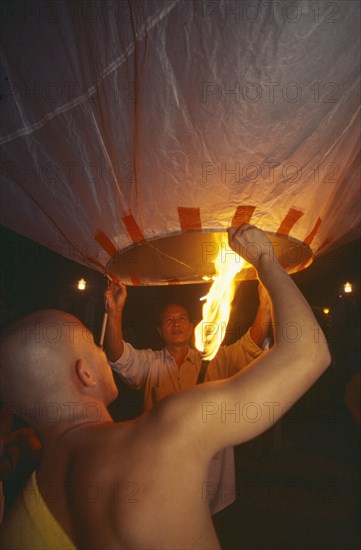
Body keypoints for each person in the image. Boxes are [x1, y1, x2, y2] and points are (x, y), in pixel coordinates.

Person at [0, 225, 331, 549]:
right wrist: (264, 259)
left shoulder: (17, 514)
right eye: (93, 345)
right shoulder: (168, 430)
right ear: (84, 374)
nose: (104, 352)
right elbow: (308, 353)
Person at [105, 263, 272, 513]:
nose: (176, 323)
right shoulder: (150, 362)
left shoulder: (218, 359)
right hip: (160, 467)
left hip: (209, 471)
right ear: (161, 331)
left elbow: (251, 343)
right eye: (169, 320)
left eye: (181, 318)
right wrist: (115, 313)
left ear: (192, 324)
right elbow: (118, 356)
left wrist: (265, 306)